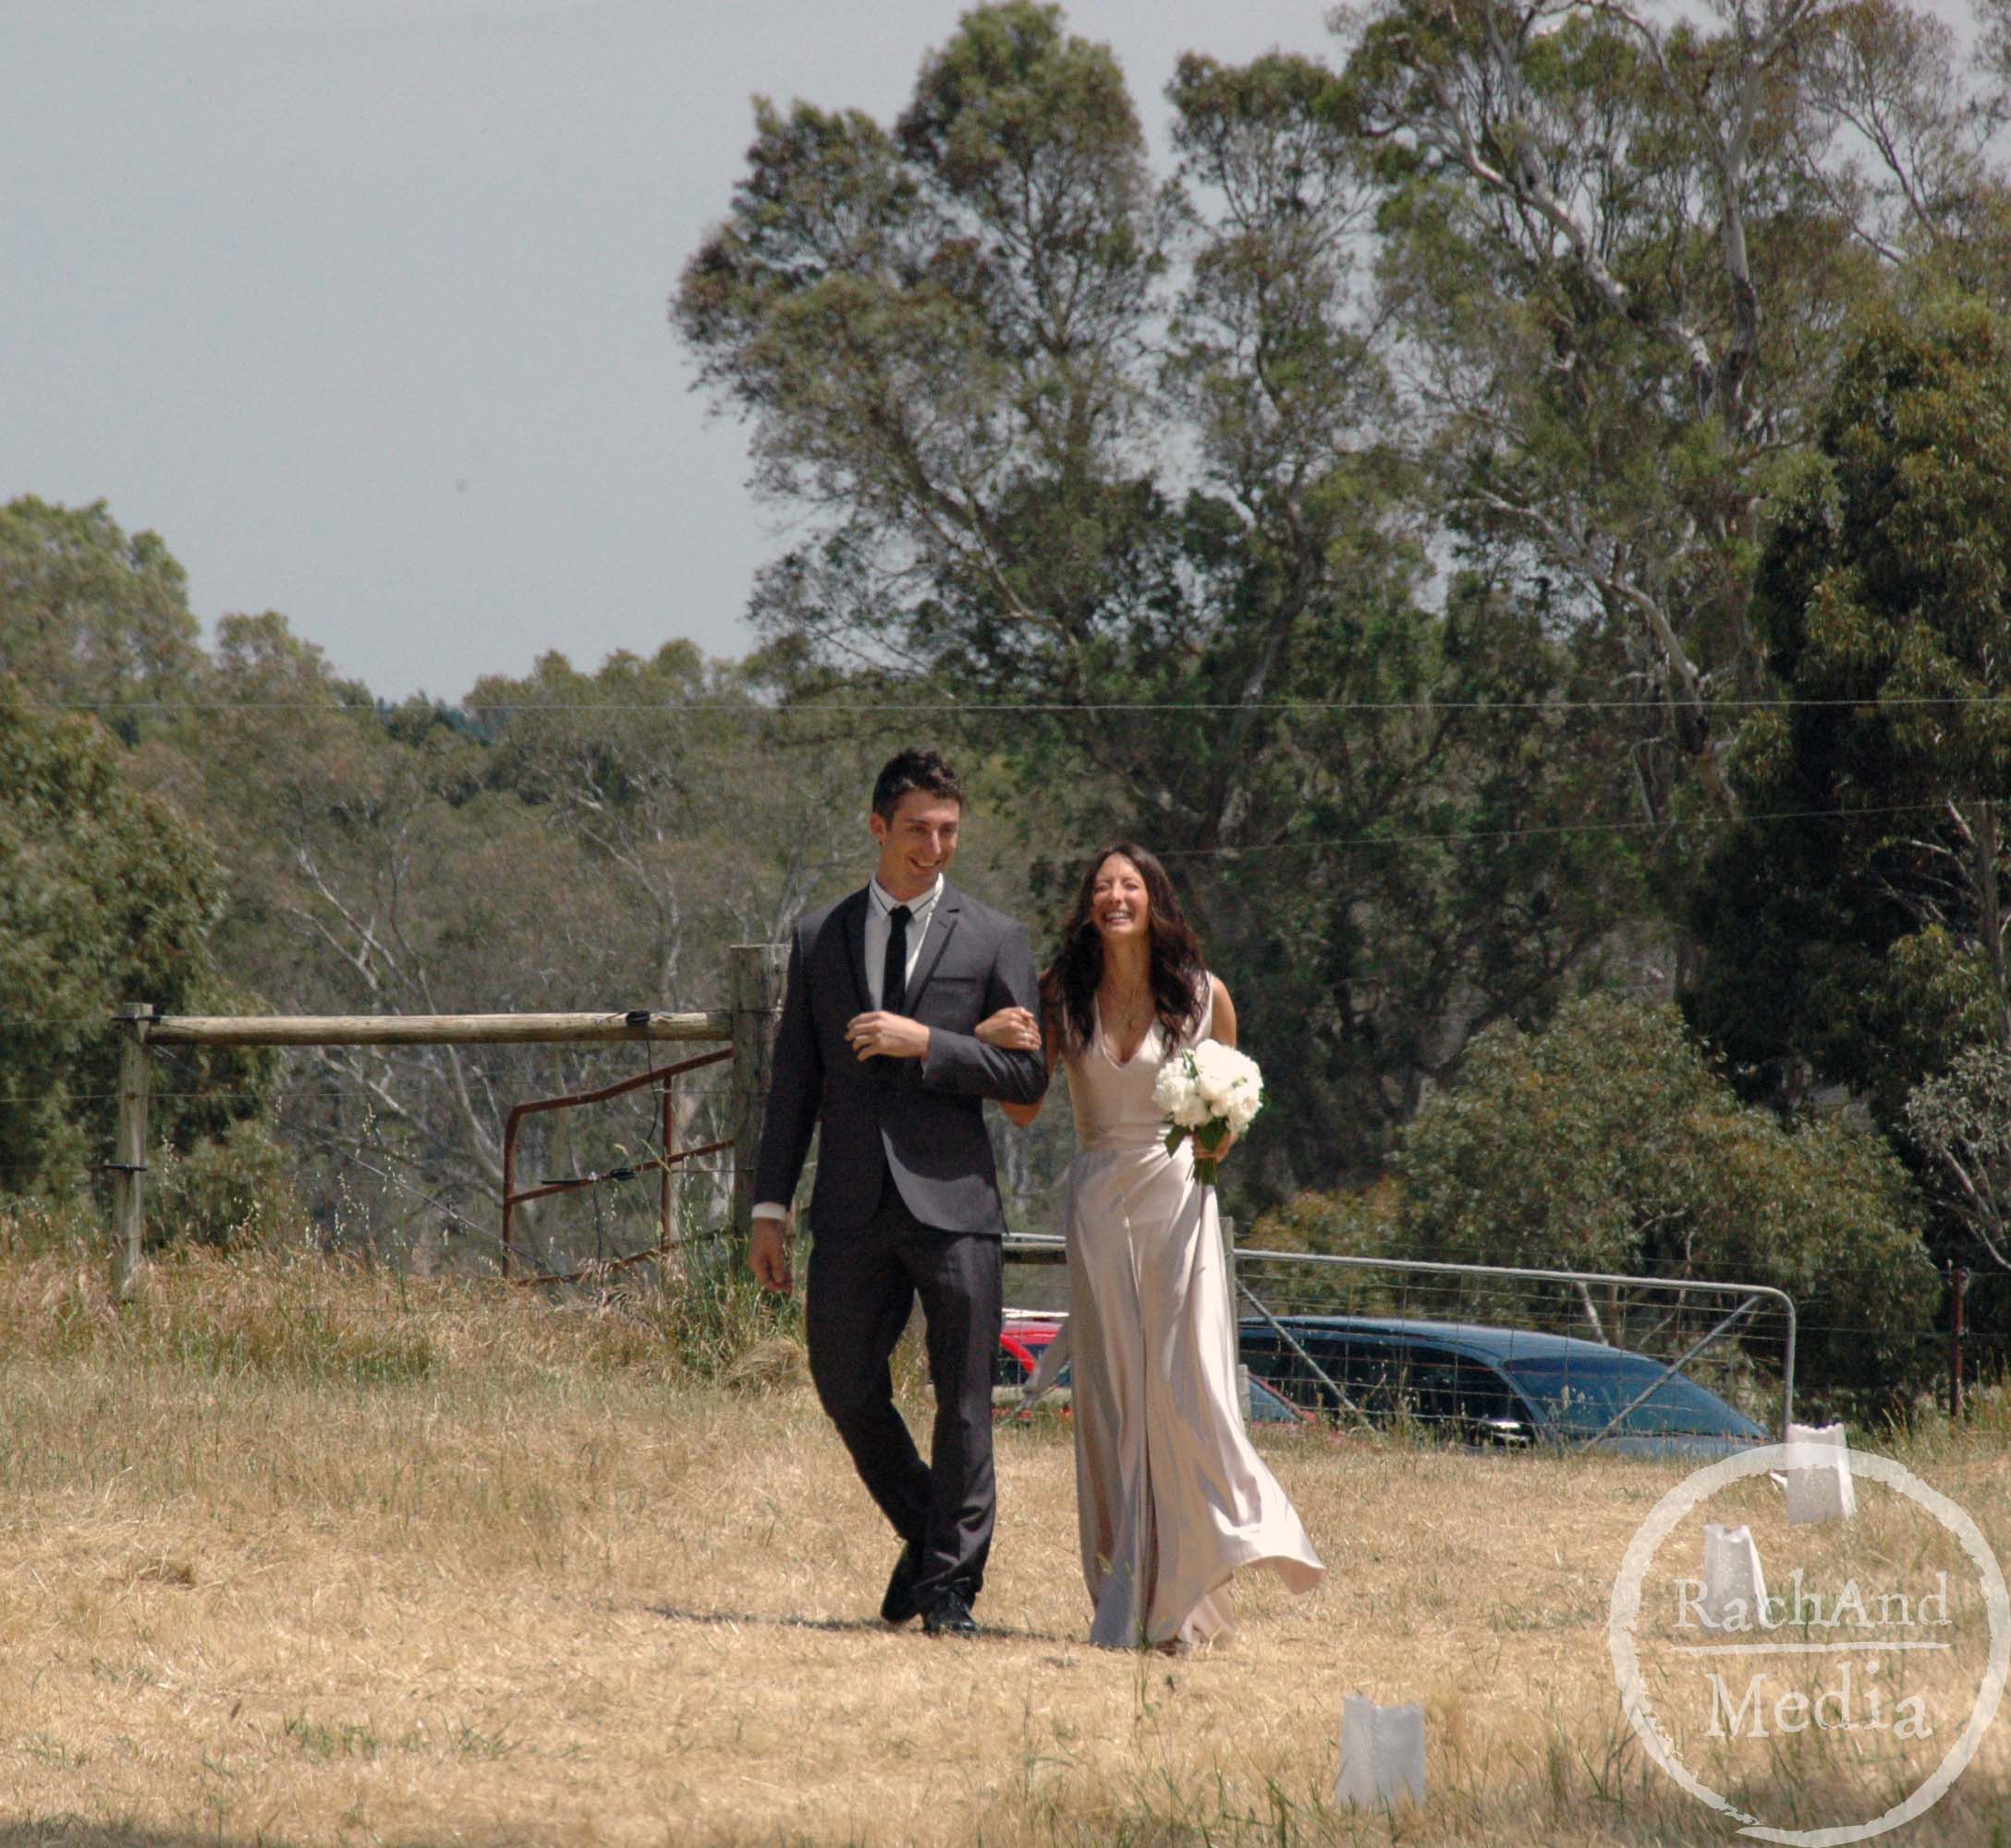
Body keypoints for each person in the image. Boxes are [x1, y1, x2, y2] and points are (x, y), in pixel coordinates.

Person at [977, 844, 1323, 1650]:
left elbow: (1231, 1110)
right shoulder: (1062, 995)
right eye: (1101, 887)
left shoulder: (1204, 997)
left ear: (1154, 900)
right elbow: (1023, 1110)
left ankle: (1206, 1578)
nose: (1115, 897)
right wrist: (988, 1041)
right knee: (1112, 1400)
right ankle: (1125, 1593)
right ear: (1088, 906)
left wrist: (1215, 1140)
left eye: (1129, 885)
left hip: (1179, 1204)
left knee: (1184, 1389)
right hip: (1099, 1204)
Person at [748, 748, 1048, 1639]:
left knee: (965, 1402)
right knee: (843, 1384)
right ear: (878, 827)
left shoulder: (995, 937)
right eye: (918, 828)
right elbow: (794, 1084)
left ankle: (950, 1591)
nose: (934, 846)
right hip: (849, 1204)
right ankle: (929, 1537)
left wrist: (931, 1043)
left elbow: (1028, 1077)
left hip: (957, 1204)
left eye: (949, 831)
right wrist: (769, 1208)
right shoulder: (820, 936)